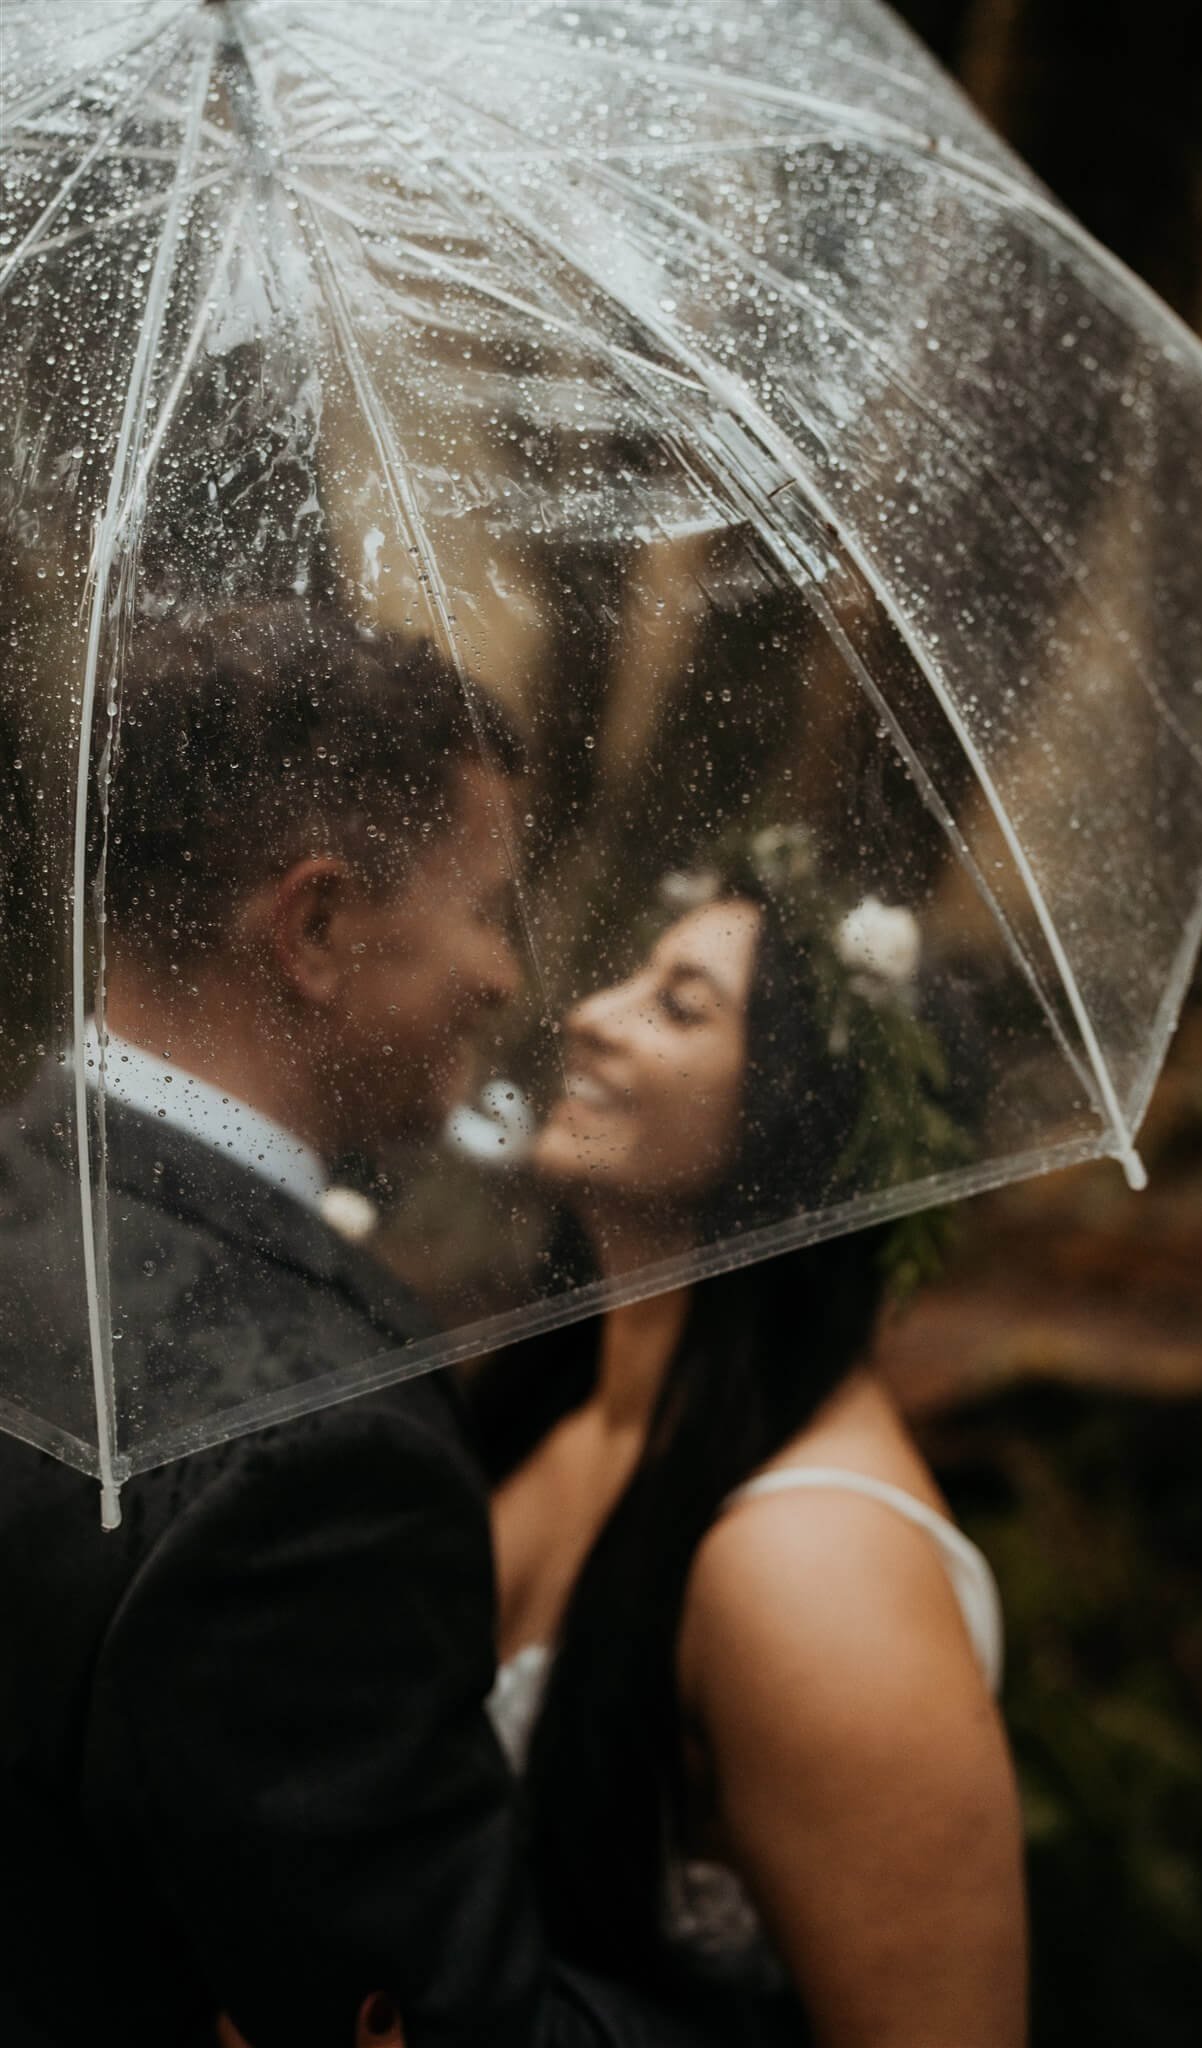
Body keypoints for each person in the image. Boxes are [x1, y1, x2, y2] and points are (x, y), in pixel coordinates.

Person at [0, 604, 784, 2048]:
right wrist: (757, 2000)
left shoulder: (30, 1179)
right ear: (316, 926)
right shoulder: (311, 1453)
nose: (504, 977)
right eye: (484, 908)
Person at [479, 838, 1028, 2047]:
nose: (587, 1018)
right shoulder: (554, 1399)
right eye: (630, 978)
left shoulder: (811, 1561)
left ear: (798, 1114)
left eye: (678, 1005)